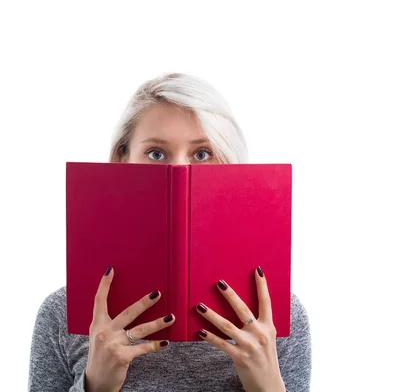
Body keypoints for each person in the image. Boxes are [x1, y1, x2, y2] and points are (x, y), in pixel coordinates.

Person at [28, 73, 312, 391]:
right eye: (156, 153)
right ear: (122, 160)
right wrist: (95, 385)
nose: (179, 170)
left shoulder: (275, 320)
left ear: (230, 164)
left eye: (202, 153)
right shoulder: (61, 315)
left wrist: (268, 386)